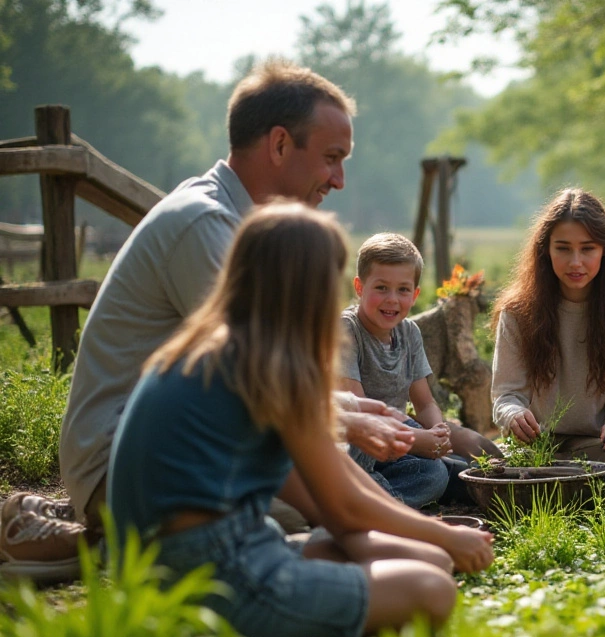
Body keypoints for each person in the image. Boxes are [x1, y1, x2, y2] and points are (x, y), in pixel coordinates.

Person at [1, 60, 408, 582]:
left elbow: (265, 382)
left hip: (187, 446)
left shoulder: (238, 223)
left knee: (327, 471)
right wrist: (342, 423)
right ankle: (94, 540)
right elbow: (264, 390)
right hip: (126, 463)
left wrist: (344, 407)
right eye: (331, 158)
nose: (339, 180)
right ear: (280, 145)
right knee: (296, 504)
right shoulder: (207, 226)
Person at [107, 203, 494, 637]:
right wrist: (446, 534)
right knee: (432, 589)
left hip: (193, 556)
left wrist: (420, 537)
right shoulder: (271, 364)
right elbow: (342, 506)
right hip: (213, 573)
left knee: (426, 558)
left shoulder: (224, 345)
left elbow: (321, 493)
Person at [339, 232, 500, 508]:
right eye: (381, 288)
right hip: (355, 436)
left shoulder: (409, 332)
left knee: (437, 469)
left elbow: (423, 402)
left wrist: (437, 433)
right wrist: (417, 441)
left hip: (396, 439)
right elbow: (357, 410)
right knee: (369, 458)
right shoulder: (347, 330)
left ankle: (390, 495)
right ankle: (376, 503)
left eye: (402, 290)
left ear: (414, 295)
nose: (392, 299)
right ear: (359, 287)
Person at [490, 189, 605, 462]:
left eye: (587, 249)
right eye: (563, 248)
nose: (575, 262)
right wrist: (513, 415)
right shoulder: (517, 310)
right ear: (546, 249)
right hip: (537, 444)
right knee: (490, 458)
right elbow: (506, 393)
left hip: (599, 443)